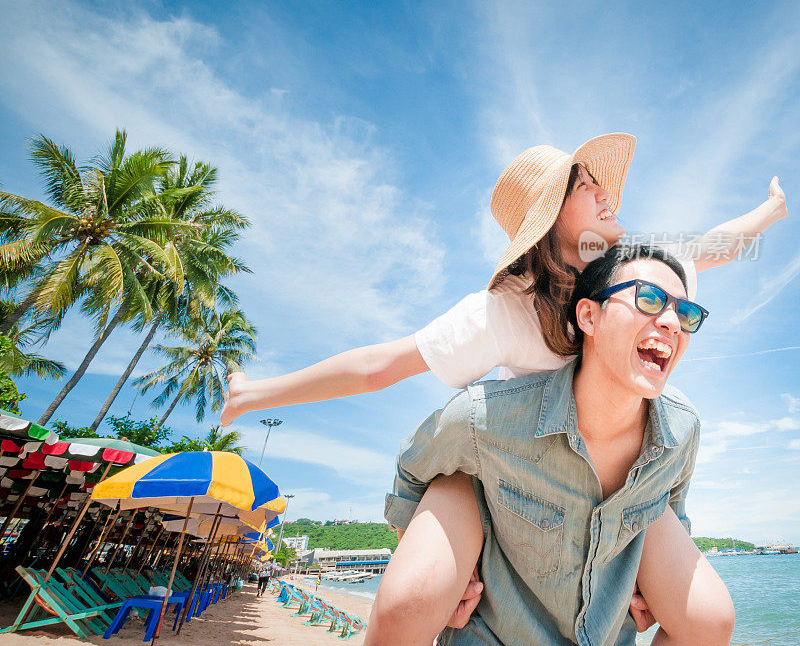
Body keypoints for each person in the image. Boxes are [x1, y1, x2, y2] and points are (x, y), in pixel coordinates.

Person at [221, 134, 787, 637]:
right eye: (588, 187)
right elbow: (381, 366)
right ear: (552, 217)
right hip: (511, 470)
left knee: (710, 616)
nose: (609, 194)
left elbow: (713, 247)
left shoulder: (636, 272)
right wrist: (257, 395)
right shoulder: (505, 311)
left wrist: (770, 209)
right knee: (408, 599)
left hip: (606, 476)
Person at [372, 244, 729, 646]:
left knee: (712, 618)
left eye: (687, 314)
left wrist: (654, 581)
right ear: (589, 316)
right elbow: (413, 465)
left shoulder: (682, 428)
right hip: (495, 633)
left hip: (609, 632)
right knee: (404, 603)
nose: (672, 323)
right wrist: (428, 563)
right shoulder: (485, 417)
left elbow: (673, 498)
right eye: (648, 299)